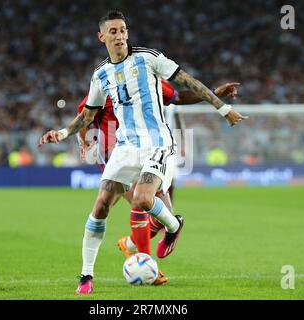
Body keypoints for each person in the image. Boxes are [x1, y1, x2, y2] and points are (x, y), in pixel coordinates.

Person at [38, 10, 248, 294]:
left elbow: (186, 83)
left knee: (142, 199)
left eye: (123, 30)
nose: (120, 36)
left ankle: (170, 228)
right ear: (102, 37)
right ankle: (86, 276)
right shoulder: (101, 75)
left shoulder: (148, 59)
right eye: (113, 31)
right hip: (124, 148)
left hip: (157, 143)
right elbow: (87, 115)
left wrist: (222, 107)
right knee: (101, 205)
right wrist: (61, 134)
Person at [76, 80, 240, 286]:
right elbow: (84, 116)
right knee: (137, 201)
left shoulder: (149, 79)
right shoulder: (107, 83)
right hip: (117, 157)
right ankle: (146, 265)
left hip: (151, 152)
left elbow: (181, 98)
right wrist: (84, 141)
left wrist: (215, 93)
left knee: (163, 215)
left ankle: (131, 244)